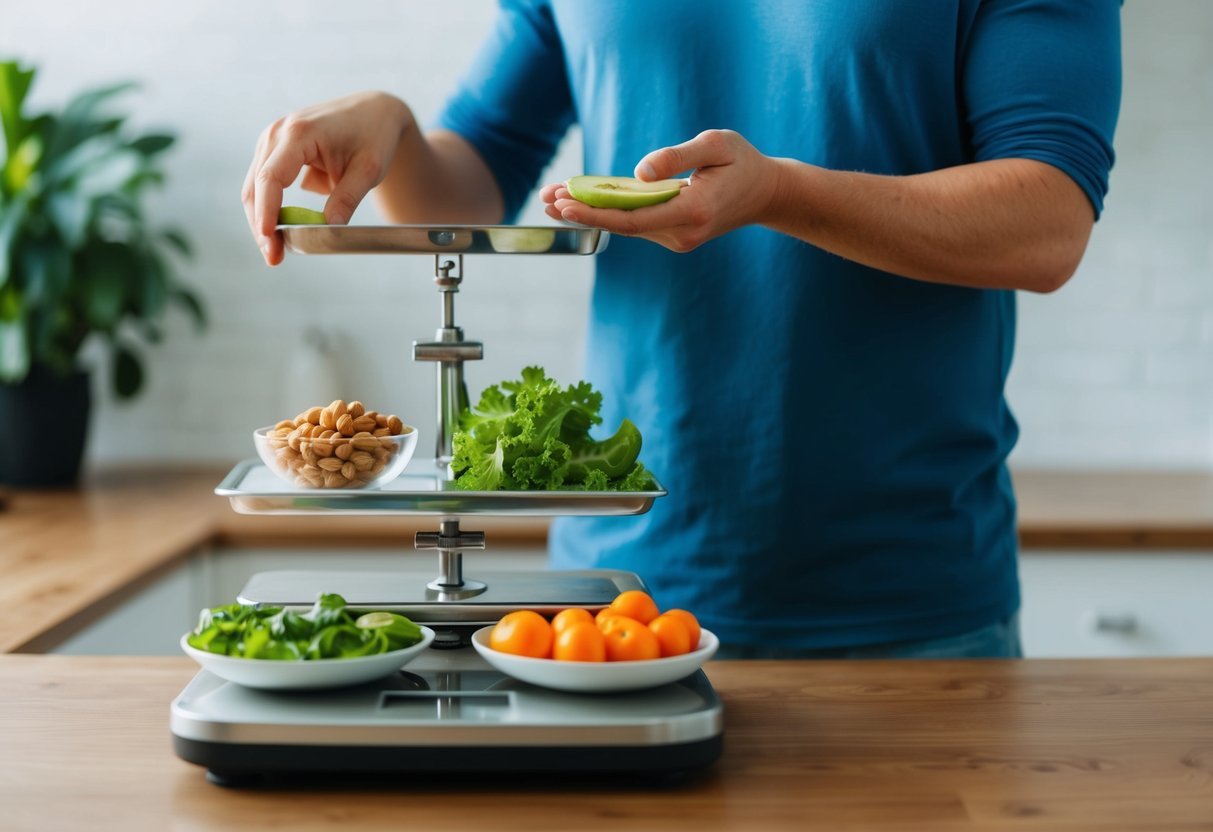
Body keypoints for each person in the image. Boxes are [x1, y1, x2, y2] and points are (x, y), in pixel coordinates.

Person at [243, 1, 1121, 658]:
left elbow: (1045, 221)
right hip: (609, 604)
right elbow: (467, 190)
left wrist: (777, 192)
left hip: (906, 604)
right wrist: (391, 128)